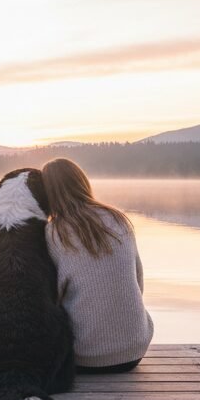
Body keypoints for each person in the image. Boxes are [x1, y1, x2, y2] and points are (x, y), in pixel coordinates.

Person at [41, 158, 153, 373]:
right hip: (134, 351)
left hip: (82, 358)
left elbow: (52, 298)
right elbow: (138, 280)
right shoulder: (118, 219)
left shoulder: (53, 233)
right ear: (82, 182)